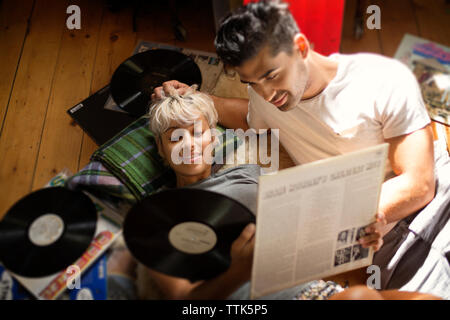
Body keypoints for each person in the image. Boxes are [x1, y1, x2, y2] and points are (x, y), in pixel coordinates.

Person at [152, 0, 450, 297]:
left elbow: (420, 185)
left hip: (438, 204)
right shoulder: (264, 100)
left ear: (301, 47)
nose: (266, 94)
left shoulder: (383, 80)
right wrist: (195, 100)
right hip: (388, 247)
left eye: (271, 75)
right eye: (251, 82)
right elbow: (246, 116)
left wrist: (354, 215)